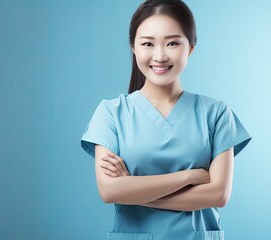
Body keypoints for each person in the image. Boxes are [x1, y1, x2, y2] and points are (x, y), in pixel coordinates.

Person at [80, 0, 252, 239]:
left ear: (190, 47)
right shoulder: (110, 113)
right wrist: (188, 177)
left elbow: (218, 195)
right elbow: (109, 191)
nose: (160, 56)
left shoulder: (217, 113)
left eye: (172, 43)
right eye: (148, 43)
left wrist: (134, 190)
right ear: (134, 47)